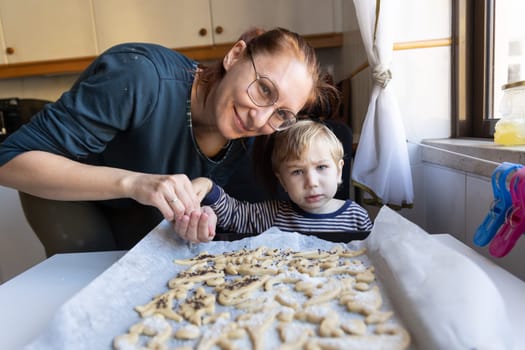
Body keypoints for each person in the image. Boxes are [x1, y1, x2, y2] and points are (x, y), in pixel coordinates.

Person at [0, 27, 340, 255]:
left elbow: (194, 205)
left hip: (137, 202)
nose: (259, 117)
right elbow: (9, 159)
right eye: (264, 89)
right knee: (93, 272)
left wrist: (195, 221)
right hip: (63, 189)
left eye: (281, 113)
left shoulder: (251, 135)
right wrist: (133, 182)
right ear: (235, 56)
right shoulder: (140, 75)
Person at [186, 120, 373, 240]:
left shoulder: (356, 217)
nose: (312, 182)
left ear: (339, 171)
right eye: (297, 172)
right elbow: (234, 214)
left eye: (321, 167)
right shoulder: (272, 215)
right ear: (282, 181)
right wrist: (208, 187)